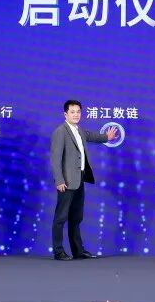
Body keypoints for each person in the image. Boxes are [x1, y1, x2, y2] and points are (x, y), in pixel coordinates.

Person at [49, 100, 117, 260]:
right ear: (65, 114)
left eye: (78, 111)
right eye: (72, 112)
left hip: (79, 179)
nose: (76, 114)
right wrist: (59, 180)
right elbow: (55, 159)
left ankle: (78, 251)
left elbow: (92, 136)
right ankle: (58, 251)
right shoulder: (60, 132)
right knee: (61, 218)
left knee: (76, 217)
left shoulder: (79, 130)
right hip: (66, 182)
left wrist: (107, 137)